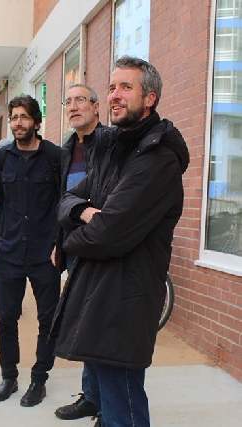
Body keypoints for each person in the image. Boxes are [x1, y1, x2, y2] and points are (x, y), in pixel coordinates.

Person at [51, 56, 190, 427]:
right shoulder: (117, 149)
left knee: (123, 409)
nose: (114, 95)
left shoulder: (157, 159)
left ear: (150, 98)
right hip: (100, 291)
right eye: (112, 87)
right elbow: (66, 199)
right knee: (109, 400)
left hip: (125, 301)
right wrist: (83, 212)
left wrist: (70, 241)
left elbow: (108, 235)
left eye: (125, 87)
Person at [0, 95, 62, 407]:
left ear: (36, 121)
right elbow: (3, 200)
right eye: (14, 117)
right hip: (10, 252)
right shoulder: (2, 158)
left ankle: (39, 379)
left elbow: (63, 201)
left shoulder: (57, 157)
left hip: (46, 253)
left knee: (49, 319)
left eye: (24, 117)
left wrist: (60, 244)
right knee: (7, 317)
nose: (18, 123)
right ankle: (9, 376)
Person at [52, 84, 110, 421]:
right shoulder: (67, 149)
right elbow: (61, 201)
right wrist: (57, 244)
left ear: (96, 108)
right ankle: (92, 396)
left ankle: (110, 403)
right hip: (75, 249)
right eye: (68, 101)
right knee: (86, 322)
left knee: (104, 324)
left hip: (105, 245)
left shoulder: (112, 144)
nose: (74, 106)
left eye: (81, 100)